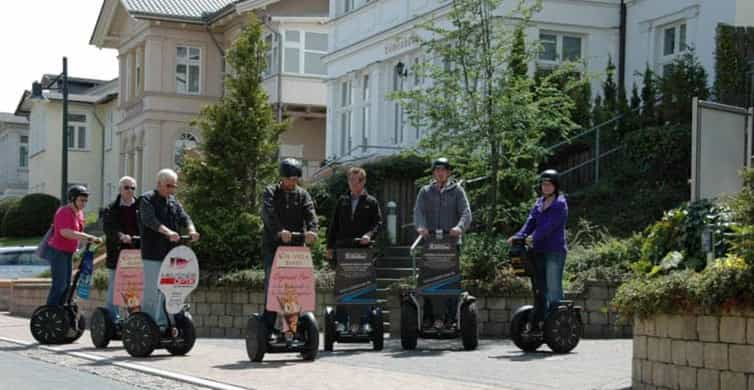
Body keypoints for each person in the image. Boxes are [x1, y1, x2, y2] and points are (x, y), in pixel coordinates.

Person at [261, 158, 318, 337]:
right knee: (274, 288)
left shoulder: (302, 194)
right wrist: (279, 231)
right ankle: (269, 328)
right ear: (283, 177)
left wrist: (312, 230)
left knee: (292, 289)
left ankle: (290, 329)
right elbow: (268, 214)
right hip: (274, 249)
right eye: (291, 179)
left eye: (296, 179)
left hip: (295, 251)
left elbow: (310, 214)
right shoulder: (271, 192)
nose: (294, 182)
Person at [507, 169, 568, 336]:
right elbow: (530, 223)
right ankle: (538, 322)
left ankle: (556, 326)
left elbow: (549, 227)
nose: (545, 187)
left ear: (555, 186)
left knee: (553, 288)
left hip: (554, 251)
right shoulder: (539, 203)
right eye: (543, 184)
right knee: (539, 288)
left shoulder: (560, 204)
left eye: (549, 184)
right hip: (537, 251)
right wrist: (518, 236)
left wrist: (532, 238)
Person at [413, 157, 472, 329]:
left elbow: (466, 212)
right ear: (433, 173)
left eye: (443, 170)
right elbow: (418, 212)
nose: (440, 173)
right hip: (430, 244)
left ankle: (451, 318)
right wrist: (421, 226)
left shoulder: (457, 191)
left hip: (451, 244)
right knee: (429, 281)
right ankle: (429, 317)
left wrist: (459, 227)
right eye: (437, 170)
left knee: (450, 281)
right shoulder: (425, 191)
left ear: (449, 172)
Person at [139, 169, 199, 332]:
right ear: (158, 184)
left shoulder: (173, 201)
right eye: (169, 186)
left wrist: (191, 230)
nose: (172, 189)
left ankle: (168, 324)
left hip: (171, 254)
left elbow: (185, 217)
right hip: (153, 253)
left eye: (174, 186)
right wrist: (168, 232)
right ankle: (150, 326)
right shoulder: (147, 199)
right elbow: (150, 220)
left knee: (171, 289)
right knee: (154, 290)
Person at [326, 167, 382, 334]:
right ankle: (342, 322)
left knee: (363, 287)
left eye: (354, 180)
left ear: (362, 182)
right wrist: (329, 247)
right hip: (344, 250)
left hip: (363, 251)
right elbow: (333, 226)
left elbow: (378, 224)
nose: (351, 183)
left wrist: (369, 235)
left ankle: (364, 322)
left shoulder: (371, 202)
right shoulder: (342, 201)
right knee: (344, 287)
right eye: (349, 180)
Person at [46, 185, 103, 305]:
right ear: (72, 199)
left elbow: (79, 233)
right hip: (58, 251)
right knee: (60, 284)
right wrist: (88, 237)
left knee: (67, 285)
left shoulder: (80, 214)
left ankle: (60, 312)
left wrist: (89, 241)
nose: (84, 203)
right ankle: (51, 311)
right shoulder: (64, 212)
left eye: (85, 201)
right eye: (81, 200)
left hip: (69, 252)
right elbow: (65, 232)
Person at [102, 176, 140, 323]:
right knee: (115, 286)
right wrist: (121, 236)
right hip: (117, 253)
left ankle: (133, 318)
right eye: (126, 187)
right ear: (120, 189)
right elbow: (108, 228)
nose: (130, 190)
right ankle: (112, 320)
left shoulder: (140, 207)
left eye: (132, 188)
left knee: (132, 287)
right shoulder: (111, 208)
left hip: (135, 253)